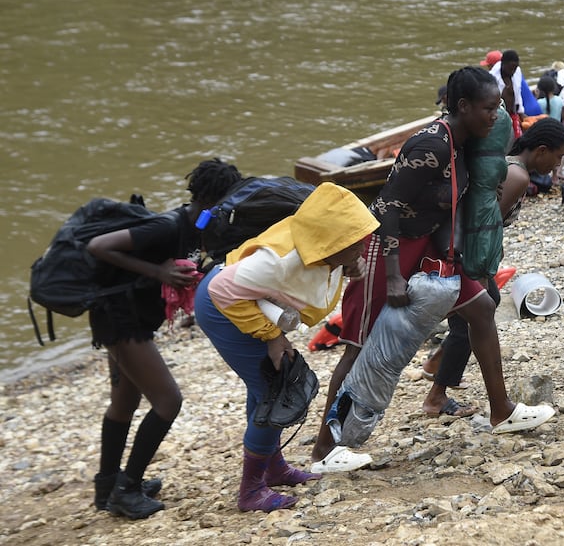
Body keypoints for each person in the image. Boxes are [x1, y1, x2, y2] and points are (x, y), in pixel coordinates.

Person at [311, 66, 556, 473]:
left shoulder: (467, 143)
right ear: (462, 107)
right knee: (359, 348)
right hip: (387, 250)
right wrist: (392, 274)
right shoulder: (433, 146)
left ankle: (502, 411)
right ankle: (324, 450)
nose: (496, 116)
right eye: (488, 108)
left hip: (428, 247)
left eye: (498, 107)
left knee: (481, 307)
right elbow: (386, 207)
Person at [193, 183, 378, 512]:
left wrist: (349, 266)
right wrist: (272, 335)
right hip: (223, 307)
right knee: (277, 393)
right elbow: (223, 289)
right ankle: (250, 492)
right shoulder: (279, 261)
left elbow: (316, 275)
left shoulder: (327, 253)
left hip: (253, 304)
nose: (362, 246)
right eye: (354, 242)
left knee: (265, 387)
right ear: (329, 241)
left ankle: (274, 469)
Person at [86, 158, 243, 519]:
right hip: (119, 320)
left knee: (125, 402)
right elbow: (97, 246)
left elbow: (198, 252)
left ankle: (108, 485)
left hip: (134, 318)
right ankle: (126, 490)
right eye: (227, 199)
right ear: (208, 197)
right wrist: (159, 271)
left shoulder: (199, 223)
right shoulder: (165, 225)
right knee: (168, 401)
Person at [420, 119, 564, 416]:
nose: (558, 164)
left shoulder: (508, 166)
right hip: (469, 255)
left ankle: (438, 367)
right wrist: (481, 268)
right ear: (541, 150)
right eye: (558, 156)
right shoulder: (517, 176)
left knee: (474, 317)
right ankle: (437, 394)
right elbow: (484, 225)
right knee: (475, 319)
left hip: (465, 252)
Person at [489, 50, 526, 138]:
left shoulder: (517, 72)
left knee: (518, 140)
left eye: (515, 68)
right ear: (503, 64)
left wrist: (521, 113)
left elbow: (518, 93)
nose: (513, 71)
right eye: (511, 68)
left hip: (513, 114)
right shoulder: (492, 77)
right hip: (498, 118)